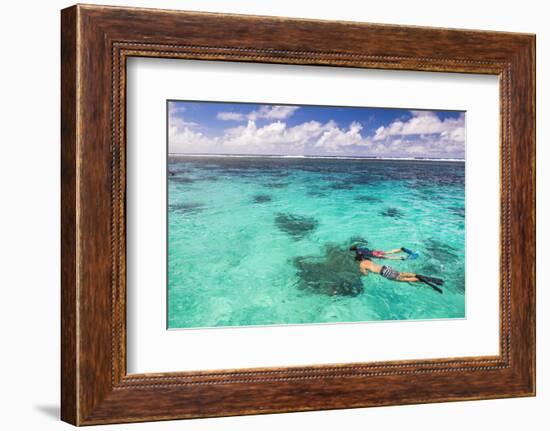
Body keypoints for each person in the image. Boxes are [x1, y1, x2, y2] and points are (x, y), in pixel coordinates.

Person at [354, 253, 444, 294]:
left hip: (383, 272)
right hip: (385, 267)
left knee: (403, 280)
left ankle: (420, 279)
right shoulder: (368, 260)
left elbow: (365, 274)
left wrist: (365, 273)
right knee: (401, 274)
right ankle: (416, 275)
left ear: (358, 260)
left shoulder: (361, 265)